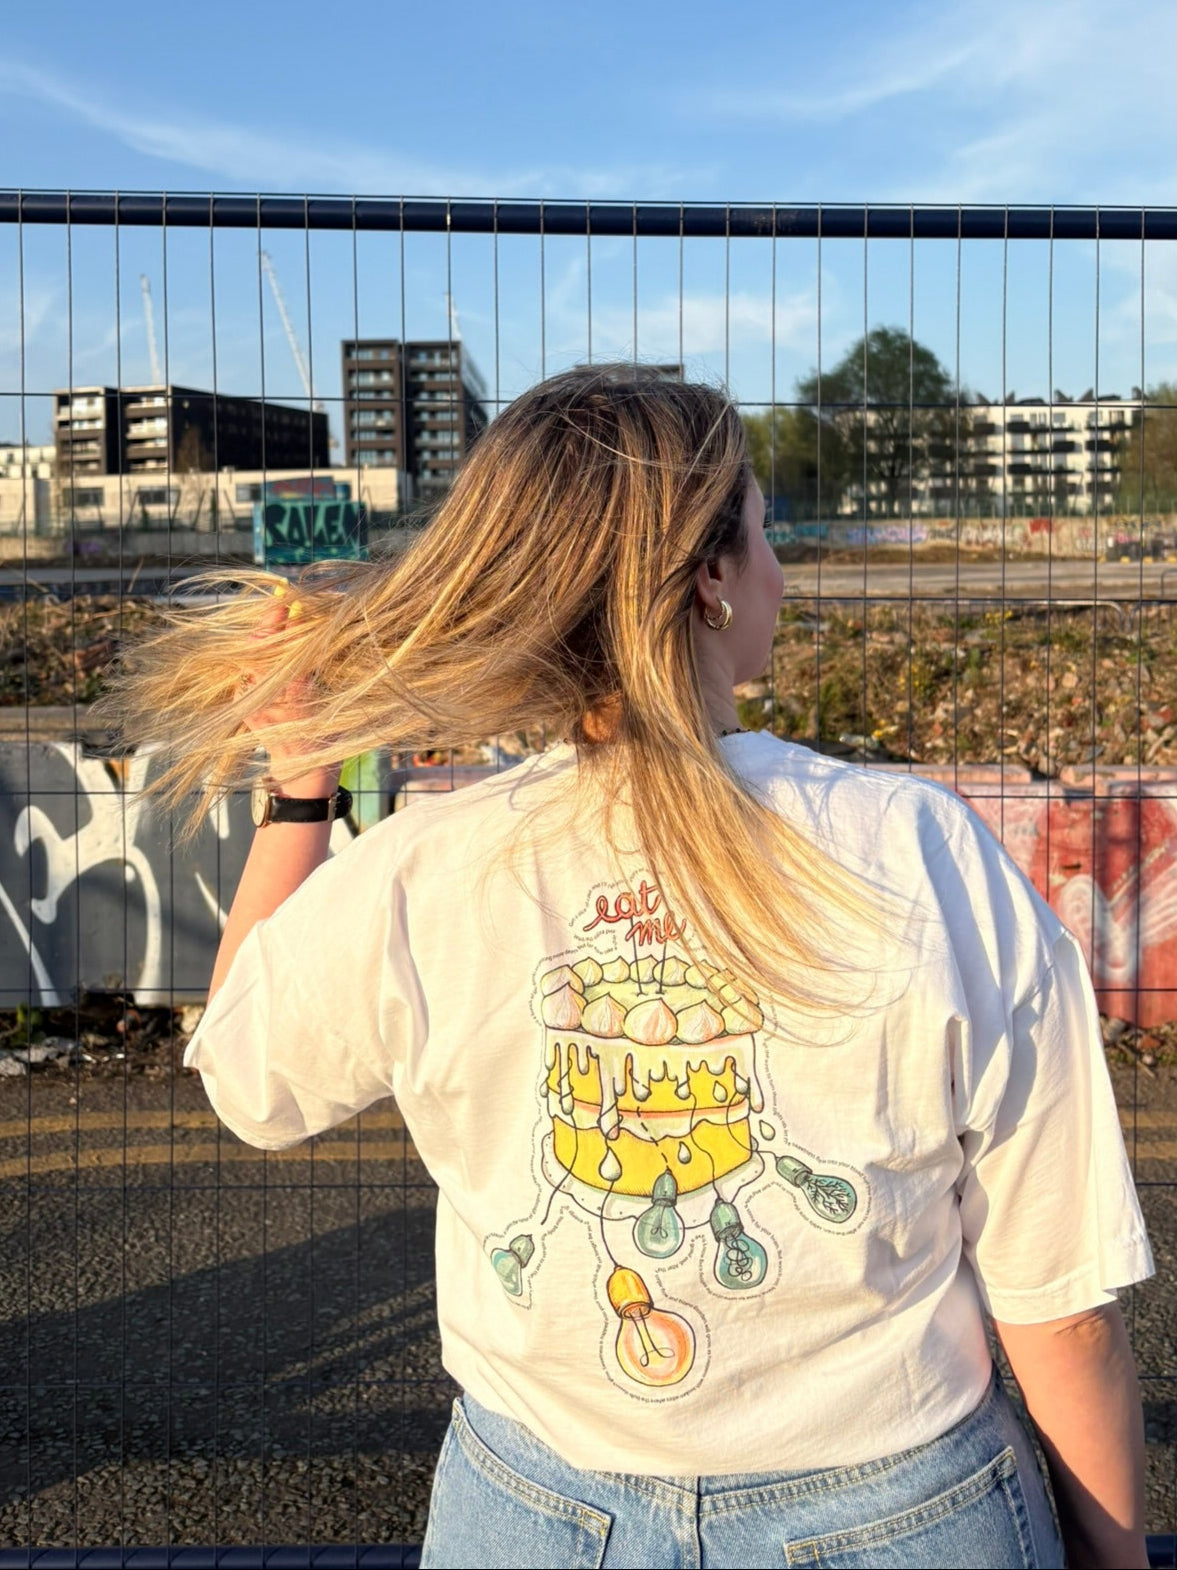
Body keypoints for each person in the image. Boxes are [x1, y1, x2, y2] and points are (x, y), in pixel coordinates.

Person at [108, 365, 1153, 1569]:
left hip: (536, 1518)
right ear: (708, 580)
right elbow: (1062, 1307)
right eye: (763, 535)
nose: (779, 570)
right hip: (897, 1513)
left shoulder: (427, 867)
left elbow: (247, 1073)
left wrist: (300, 790)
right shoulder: (920, 852)